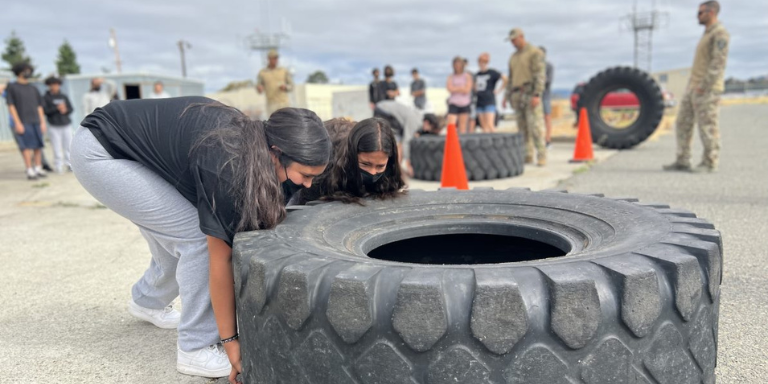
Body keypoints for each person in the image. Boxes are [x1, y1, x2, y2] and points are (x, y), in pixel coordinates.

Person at [70, 97, 331, 382]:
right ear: (276, 152)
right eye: (305, 175)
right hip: (100, 152)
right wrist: (231, 342)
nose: (307, 184)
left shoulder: (257, 143)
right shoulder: (228, 165)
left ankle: (148, 301)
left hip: (124, 145)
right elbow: (219, 259)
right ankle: (195, 347)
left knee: (176, 230)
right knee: (194, 239)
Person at [664, 0, 729, 173]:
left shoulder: (720, 34)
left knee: (707, 126)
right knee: (683, 123)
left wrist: (704, 86)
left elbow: (718, 63)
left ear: (712, 12)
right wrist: (691, 87)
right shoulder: (706, 34)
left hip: (707, 89)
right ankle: (682, 160)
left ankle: (709, 162)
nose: (697, 16)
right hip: (693, 87)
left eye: (700, 12)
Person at [297, 117, 406, 205]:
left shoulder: (389, 176)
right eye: (365, 164)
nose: (372, 172)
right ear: (352, 156)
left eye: (380, 166)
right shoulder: (325, 170)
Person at [502, 28, 547, 166]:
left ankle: (541, 155)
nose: (513, 43)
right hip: (517, 94)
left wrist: (537, 94)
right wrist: (506, 96)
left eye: (515, 40)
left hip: (530, 92)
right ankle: (527, 154)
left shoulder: (535, 53)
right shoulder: (513, 57)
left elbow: (540, 74)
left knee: (535, 126)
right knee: (522, 128)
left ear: (521, 37)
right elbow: (510, 78)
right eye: (511, 41)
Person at [374, 99, 440, 176]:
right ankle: (395, 170)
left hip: (383, 107)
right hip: (383, 110)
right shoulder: (415, 121)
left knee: (399, 139)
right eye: (431, 128)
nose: (429, 131)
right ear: (427, 122)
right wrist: (408, 164)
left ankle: (396, 168)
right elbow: (406, 142)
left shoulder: (419, 117)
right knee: (398, 141)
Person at [5, 62, 47, 180]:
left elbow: (39, 106)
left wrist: (42, 122)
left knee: (38, 146)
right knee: (26, 147)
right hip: (23, 122)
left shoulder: (33, 88)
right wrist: (17, 123)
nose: (28, 72)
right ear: (19, 71)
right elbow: (11, 105)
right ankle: (29, 170)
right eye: (25, 70)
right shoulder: (12, 87)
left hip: (36, 121)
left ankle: (38, 168)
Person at [42, 76, 74, 173]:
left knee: (68, 146)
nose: (55, 87)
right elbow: (45, 111)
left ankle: (70, 165)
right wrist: (57, 108)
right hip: (54, 125)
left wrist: (65, 110)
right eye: (53, 85)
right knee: (56, 147)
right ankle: (58, 166)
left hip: (66, 124)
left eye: (57, 84)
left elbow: (71, 109)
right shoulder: (45, 97)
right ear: (49, 86)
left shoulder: (63, 96)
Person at [474, 53, 507, 133]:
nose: (482, 64)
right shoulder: (477, 74)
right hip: (479, 101)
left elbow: (505, 79)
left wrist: (499, 90)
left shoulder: (492, 72)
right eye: (480, 62)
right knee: (484, 127)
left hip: (489, 101)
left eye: (484, 62)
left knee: (490, 125)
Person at [257, 49, 294, 116]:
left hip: (284, 103)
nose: (275, 60)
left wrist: (286, 87)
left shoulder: (283, 71)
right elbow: (259, 87)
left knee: (286, 123)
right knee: (273, 124)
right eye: (273, 58)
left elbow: (291, 86)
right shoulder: (263, 73)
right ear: (269, 59)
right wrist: (259, 88)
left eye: (276, 58)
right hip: (271, 104)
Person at [446, 56, 473, 134]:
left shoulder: (467, 76)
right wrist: (461, 88)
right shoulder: (451, 76)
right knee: (451, 125)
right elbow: (449, 88)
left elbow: (467, 90)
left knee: (462, 127)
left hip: (464, 103)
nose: (457, 66)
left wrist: (456, 88)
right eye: (455, 64)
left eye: (459, 64)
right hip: (453, 103)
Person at [540, 46, 555, 147]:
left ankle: (548, 139)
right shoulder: (532, 66)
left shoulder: (548, 66)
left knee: (547, 116)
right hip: (534, 96)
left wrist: (541, 80)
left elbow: (548, 81)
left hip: (545, 95)